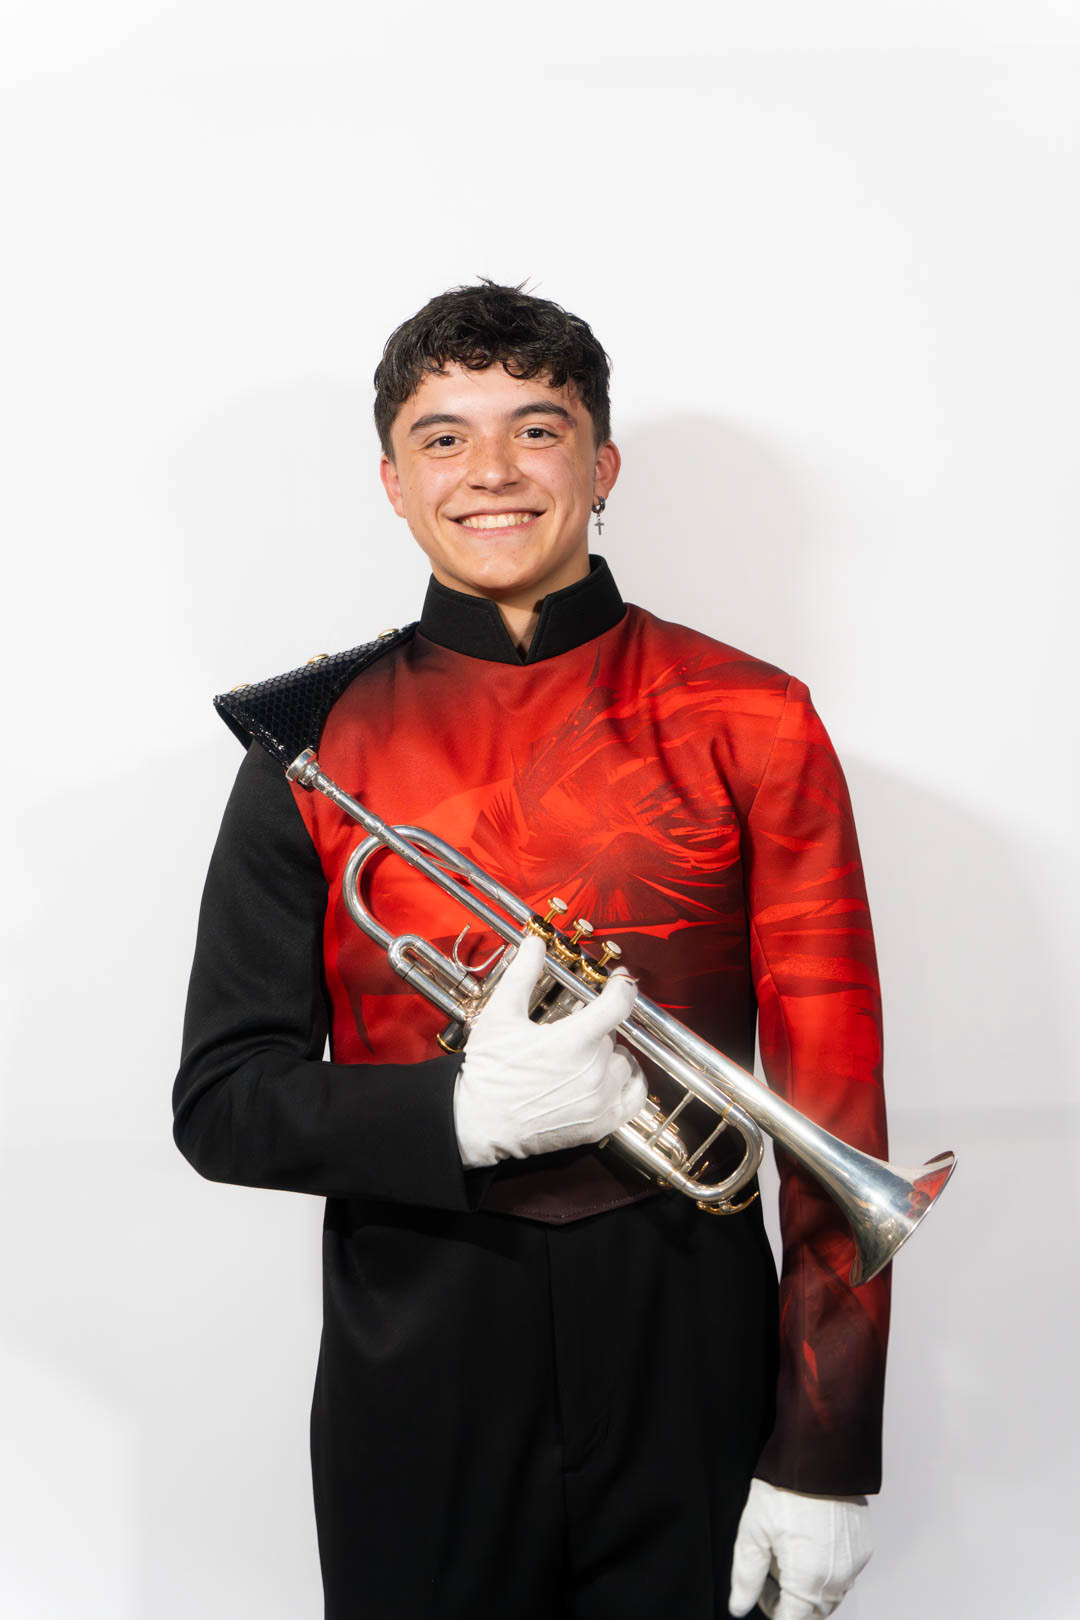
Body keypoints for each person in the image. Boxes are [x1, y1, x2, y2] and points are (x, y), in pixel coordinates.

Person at [173, 279, 889, 1619]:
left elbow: (834, 1110)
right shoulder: (307, 747)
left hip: (694, 1336)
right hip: (416, 1346)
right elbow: (221, 1105)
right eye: (443, 437)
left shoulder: (753, 717)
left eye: (536, 429)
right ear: (393, 482)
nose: (490, 471)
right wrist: (463, 1114)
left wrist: (828, 1443)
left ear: (601, 466)